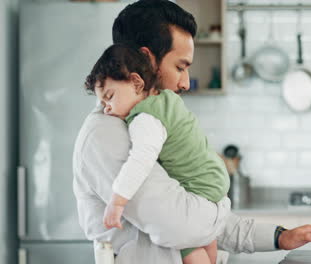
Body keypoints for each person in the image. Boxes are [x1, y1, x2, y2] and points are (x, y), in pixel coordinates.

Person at [72, 0, 311, 263]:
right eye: (180, 67)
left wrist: (281, 237)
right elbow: (182, 226)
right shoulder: (106, 135)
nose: (185, 83)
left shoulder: (148, 121)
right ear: (147, 59)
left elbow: (200, 215)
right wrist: (220, 197)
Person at [84, 43, 229, 264]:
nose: (106, 109)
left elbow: (140, 161)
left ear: (136, 82)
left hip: (198, 187)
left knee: (185, 245)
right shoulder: (166, 99)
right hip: (212, 178)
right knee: (206, 238)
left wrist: (117, 201)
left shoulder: (145, 119)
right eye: (103, 102)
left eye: (110, 96)